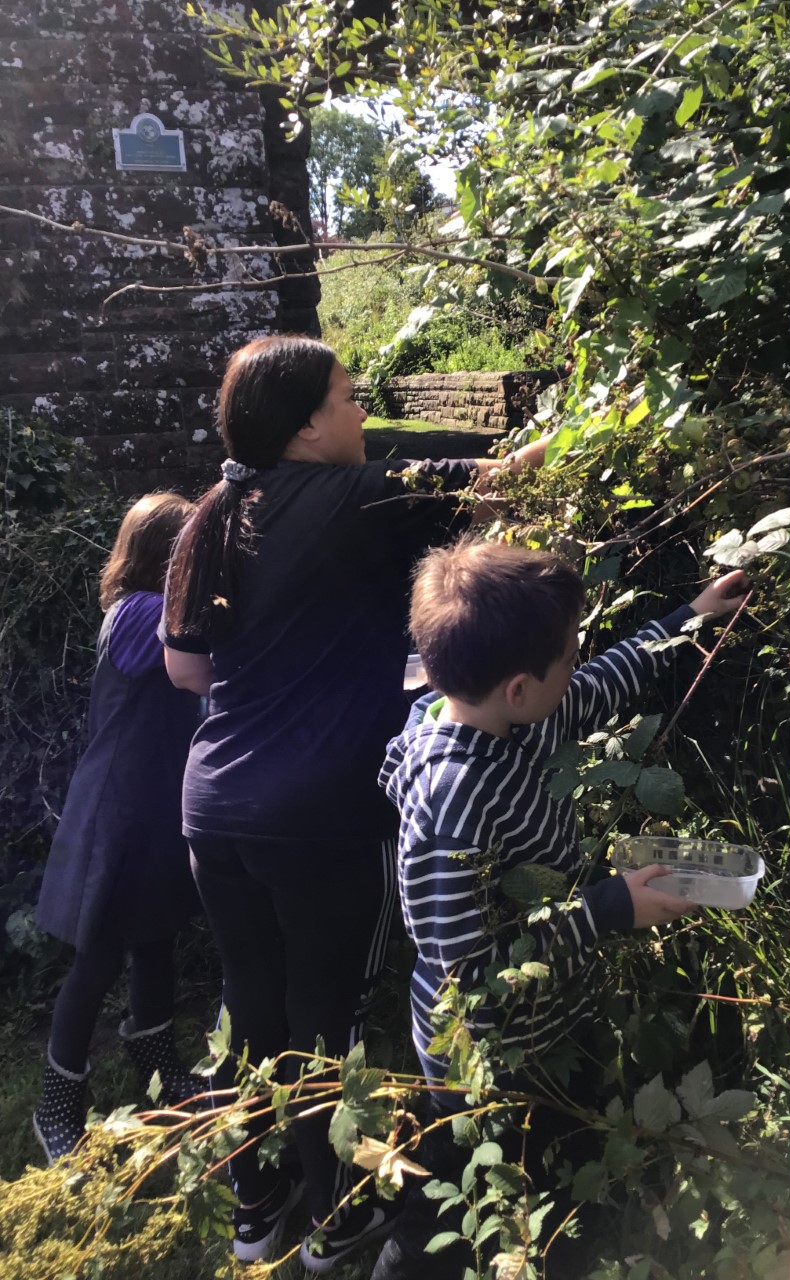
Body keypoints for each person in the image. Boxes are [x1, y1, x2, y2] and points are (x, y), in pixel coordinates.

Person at [159, 334, 552, 1270]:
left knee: (253, 1005)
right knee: (326, 1018)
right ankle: (341, 1223)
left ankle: (261, 1208)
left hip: (213, 805)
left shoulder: (212, 511)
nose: (362, 413)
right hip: (322, 806)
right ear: (303, 426)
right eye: (347, 397)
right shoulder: (360, 496)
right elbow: (514, 472)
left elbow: (185, 667)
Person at [374, 540, 750, 1279]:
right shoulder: (453, 800)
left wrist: (689, 617)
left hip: (551, 1020)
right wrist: (607, 911)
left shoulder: (519, 715)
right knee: (454, 1194)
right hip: (481, 1057)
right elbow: (466, 976)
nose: (577, 665)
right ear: (518, 687)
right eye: (566, 656)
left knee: (565, 1156)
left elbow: (601, 684)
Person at [33, 492, 203, 1165]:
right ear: (166, 554)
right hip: (116, 810)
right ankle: (57, 1103)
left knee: (155, 937)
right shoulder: (137, 613)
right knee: (98, 956)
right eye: (190, 544)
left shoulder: (150, 609)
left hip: (152, 802)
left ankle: (157, 1067)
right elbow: (193, 660)